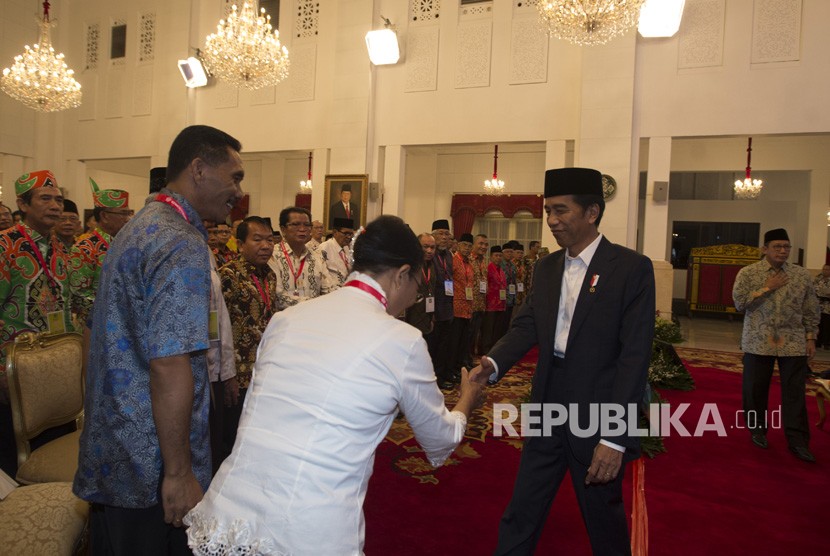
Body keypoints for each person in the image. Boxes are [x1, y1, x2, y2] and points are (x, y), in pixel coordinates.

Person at [184, 215, 486, 554]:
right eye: (417, 285)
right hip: (308, 526)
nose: (416, 296)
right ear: (402, 274)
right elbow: (439, 441)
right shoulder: (403, 339)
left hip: (231, 510)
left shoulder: (287, 319)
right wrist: (467, 400)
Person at [73, 125, 245, 554]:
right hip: (150, 462)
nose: (240, 191)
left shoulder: (138, 229)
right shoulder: (178, 241)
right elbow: (170, 362)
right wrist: (178, 472)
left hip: (117, 445)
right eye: (236, 176)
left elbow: (96, 331)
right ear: (199, 169)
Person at [476, 167, 656, 555]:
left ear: (592, 212)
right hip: (547, 400)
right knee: (523, 507)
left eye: (561, 211)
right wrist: (491, 363)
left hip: (598, 409)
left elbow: (634, 357)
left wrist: (615, 436)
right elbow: (526, 326)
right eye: (548, 212)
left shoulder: (630, 269)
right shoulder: (547, 267)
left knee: (601, 516)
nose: (552, 221)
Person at [0, 170, 73, 476]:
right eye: (45, 198)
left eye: (58, 199)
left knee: (58, 450)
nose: (55, 205)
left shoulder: (60, 248)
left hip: (57, 374)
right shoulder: (5, 246)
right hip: (13, 374)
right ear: (23, 204)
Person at [733, 228, 820, 463]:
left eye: (786, 247)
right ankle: (757, 430)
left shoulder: (801, 275)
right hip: (757, 340)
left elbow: (811, 308)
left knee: (795, 393)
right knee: (754, 390)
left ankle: (798, 441)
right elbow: (740, 304)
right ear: (765, 249)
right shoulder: (749, 273)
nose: (783, 251)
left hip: (793, 341)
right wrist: (767, 287)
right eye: (777, 246)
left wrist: (810, 337)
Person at [217, 216, 277, 460]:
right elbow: (220, 330)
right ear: (240, 244)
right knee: (231, 437)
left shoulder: (270, 275)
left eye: (269, 240)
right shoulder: (228, 275)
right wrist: (226, 373)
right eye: (258, 239)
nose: (266, 245)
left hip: (261, 369)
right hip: (235, 375)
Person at [68, 178, 132, 326]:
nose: (128, 219)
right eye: (123, 213)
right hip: (94, 325)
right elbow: (79, 294)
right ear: (104, 216)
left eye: (129, 213)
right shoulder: (84, 247)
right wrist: (115, 307)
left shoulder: (126, 244)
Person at [269, 206, 335, 309]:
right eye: (296, 224)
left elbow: (329, 288)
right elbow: (277, 296)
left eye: (307, 225)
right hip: (284, 320)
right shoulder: (273, 255)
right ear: (283, 229)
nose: (302, 229)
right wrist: (313, 305)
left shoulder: (317, 256)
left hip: (313, 318)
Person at [426, 219, 455, 387]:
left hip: (447, 306)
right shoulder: (430, 254)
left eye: (447, 234)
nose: (444, 237)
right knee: (433, 345)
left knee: (444, 345)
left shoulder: (448, 255)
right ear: (434, 236)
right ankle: (432, 379)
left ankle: (441, 376)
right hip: (433, 307)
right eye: (441, 234)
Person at [405, 232, 438, 337]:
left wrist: (432, 316)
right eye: (426, 247)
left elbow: (433, 290)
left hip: (427, 315)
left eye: (432, 247)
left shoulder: (432, 265)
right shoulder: (410, 266)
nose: (429, 251)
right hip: (411, 317)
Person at [319, 217, 354, 286]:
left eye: (350, 234)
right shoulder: (324, 247)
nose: (349, 237)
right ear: (335, 232)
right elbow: (321, 274)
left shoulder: (346, 248)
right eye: (346, 233)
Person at [814, 264, 830, 350]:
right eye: (824, 269)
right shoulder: (817, 279)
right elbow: (813, 289)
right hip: (818, 306)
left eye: (827, 269)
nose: (825, 271)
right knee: (818, 325)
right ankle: (818, 342)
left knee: (827, 326)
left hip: (828, 307)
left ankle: (827, 343)